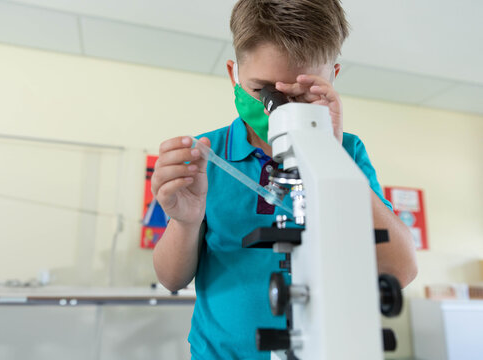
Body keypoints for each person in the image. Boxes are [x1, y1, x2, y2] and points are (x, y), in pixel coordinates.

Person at [151, 0, 418, 358]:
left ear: (332, 77)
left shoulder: (346, 153)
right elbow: (172, 279)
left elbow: (400, 269)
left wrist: (330, 156)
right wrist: (185, 222)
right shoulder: (207, 155)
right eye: (264, 91)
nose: (279, 108)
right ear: (233, 74)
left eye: (300, 94)